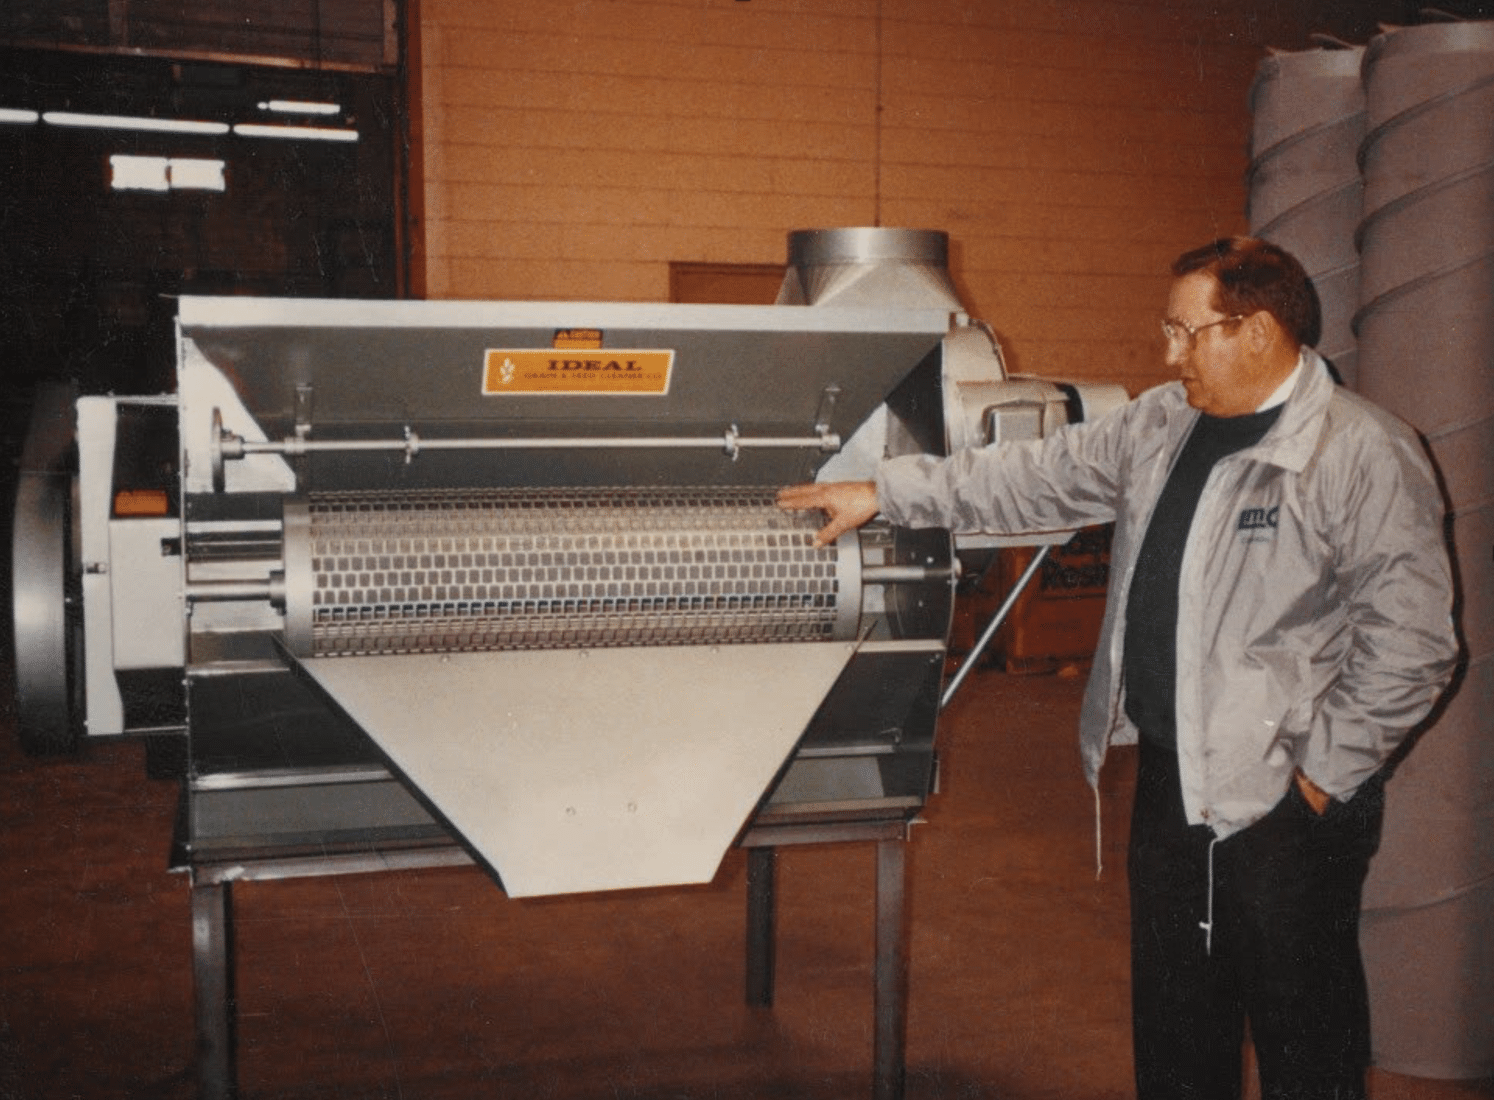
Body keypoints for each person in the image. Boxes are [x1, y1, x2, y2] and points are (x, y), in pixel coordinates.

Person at [778, 237, 1459, 1100]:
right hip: (1172, 784)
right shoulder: (1161, 425)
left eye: (1185, 332)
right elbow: (1034, 477)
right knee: (1176, 1037)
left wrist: (1318, 783)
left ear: (1256, 331)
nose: (1169, 356)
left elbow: (1413, 644)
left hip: (1285, 799)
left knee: (1305, 1045)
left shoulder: (1361, 452)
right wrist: (887, 493)